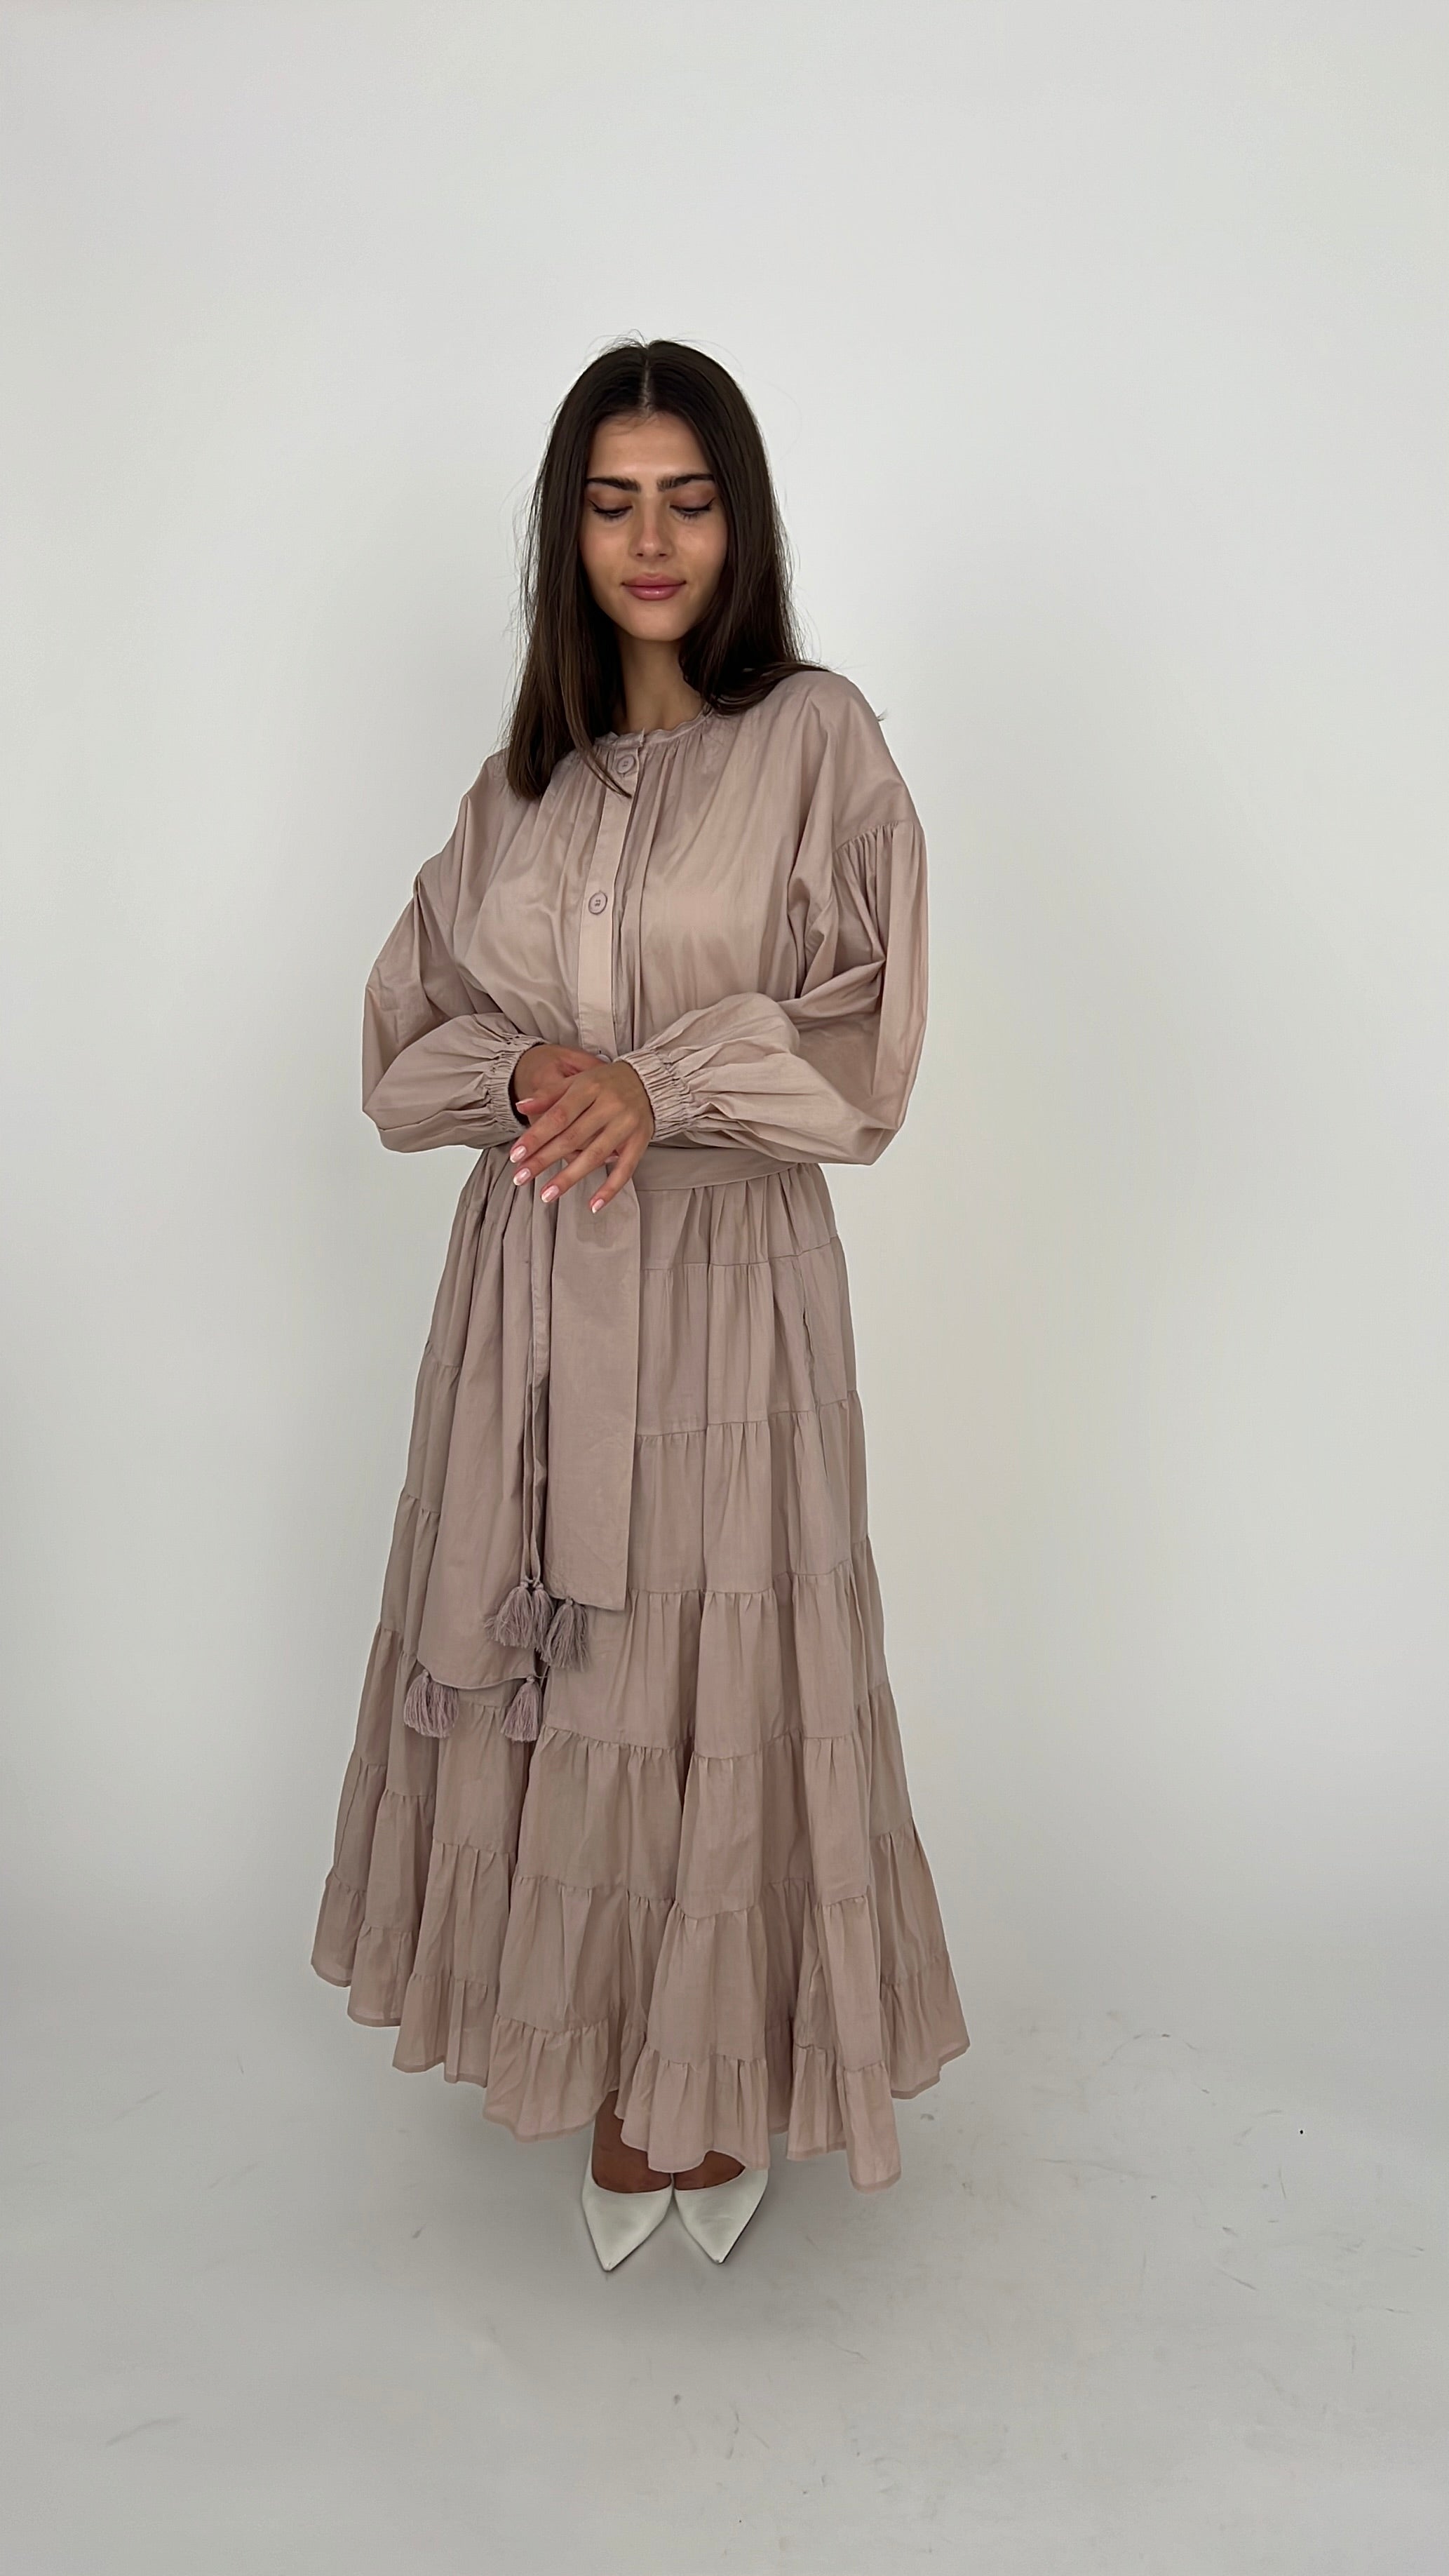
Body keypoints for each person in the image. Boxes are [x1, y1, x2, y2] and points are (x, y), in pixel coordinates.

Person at [311, 337, 969, 2269]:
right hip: (528, 1293)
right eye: (611, 504)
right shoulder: (516, 788)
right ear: (567, 533)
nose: (651, 540)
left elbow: (869, 1033)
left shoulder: (817, 743)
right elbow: (401, 1046)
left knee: (711, 1663)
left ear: (738, 523)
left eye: (687, 500)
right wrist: (527, 1071)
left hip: (724, 1293)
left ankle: (714, 2071)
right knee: (570, 1670)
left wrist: (658, 1083)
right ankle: (604, 2058)